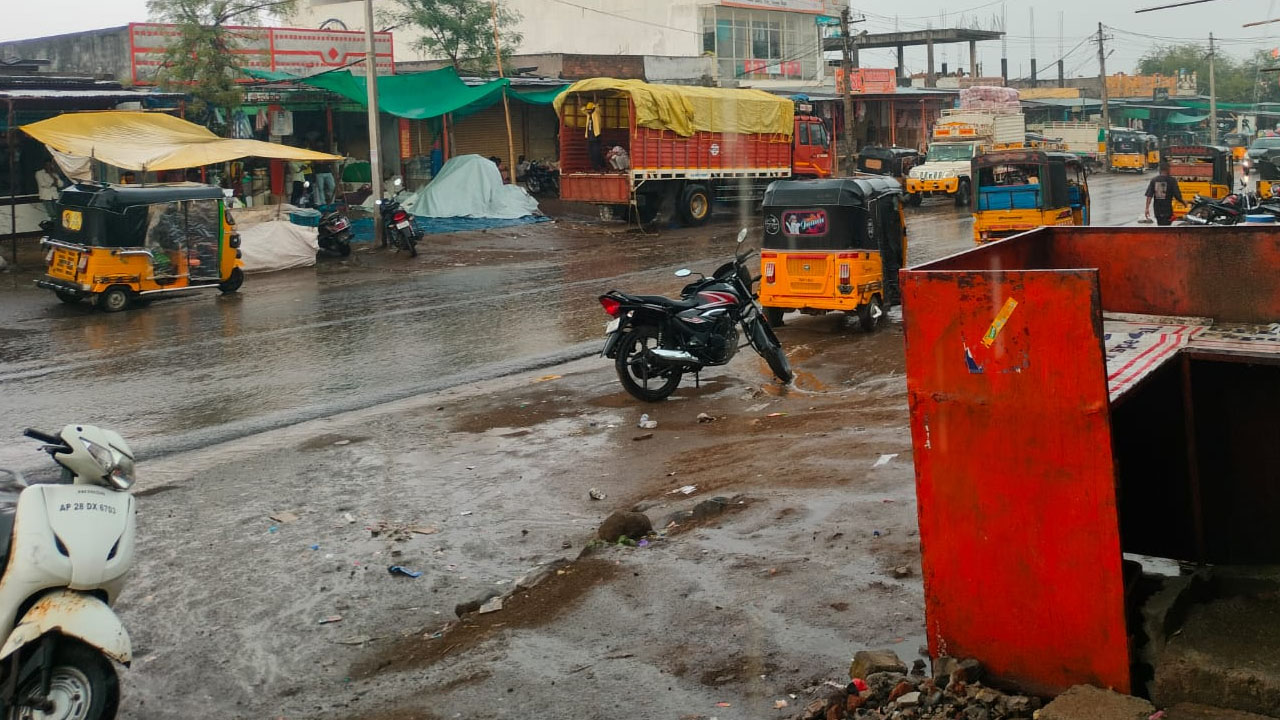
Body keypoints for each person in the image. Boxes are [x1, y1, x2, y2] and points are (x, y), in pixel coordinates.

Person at [1144, 160, 1184, 226]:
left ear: (1160, 170)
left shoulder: (1154, 180)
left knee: (1160, 225)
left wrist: (1147, 208)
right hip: (1168, 210)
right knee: (1167, 227)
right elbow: (1177, 196)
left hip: (1157, 210)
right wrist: (1183, 202)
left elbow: (1149, 195)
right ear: (1168, 169)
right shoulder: (1172, 180)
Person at [584, 101, 605, 171]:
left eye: (590, 110)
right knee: (591, 154)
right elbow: (581, 108)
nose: (588, 111)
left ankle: (601, 166)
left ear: (593, 109)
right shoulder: (588, 115)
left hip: (596, 137)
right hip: (590, 138)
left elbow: (596, 104)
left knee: (596, 153)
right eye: (588, 110)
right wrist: (579, 97)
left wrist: (594, 95)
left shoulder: (596, 114)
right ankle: (595, 168)